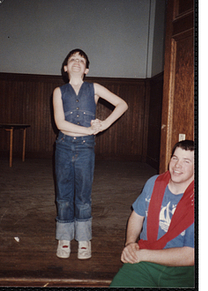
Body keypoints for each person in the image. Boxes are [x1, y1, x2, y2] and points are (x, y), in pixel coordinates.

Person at [53, 49, 128, 260]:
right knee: (63, 196)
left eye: (81, 60)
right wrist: (90, 130)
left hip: (85, 148)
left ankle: (84, 238)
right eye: (72, 59)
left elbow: (122, 104)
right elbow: (60, 123)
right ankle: (64, 237)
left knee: (83, 196)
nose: (77, 62)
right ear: (66, 67)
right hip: (64, 146)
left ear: (86, 69)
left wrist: (104, 124)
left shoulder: (94, 89)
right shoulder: (58, 91)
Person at [110, 140, 195, 288]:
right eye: (175, 158)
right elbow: (137, 215)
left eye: (186, 161)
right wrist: (130, 243)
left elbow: (190, 255)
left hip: (183, 271)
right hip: (144, 263)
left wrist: (142, 255)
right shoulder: (154, 182)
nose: (177, 165)